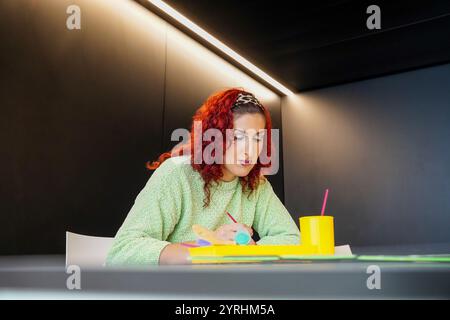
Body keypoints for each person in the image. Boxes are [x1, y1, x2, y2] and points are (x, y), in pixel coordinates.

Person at [106, 88, 300, 265]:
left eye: (257, 138)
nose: (249, 150)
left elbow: (292, 239)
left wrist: (249, 251)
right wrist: (209, 245)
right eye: (238, 137)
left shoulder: (256, 184)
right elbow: (122, 253)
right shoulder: (176, 173)